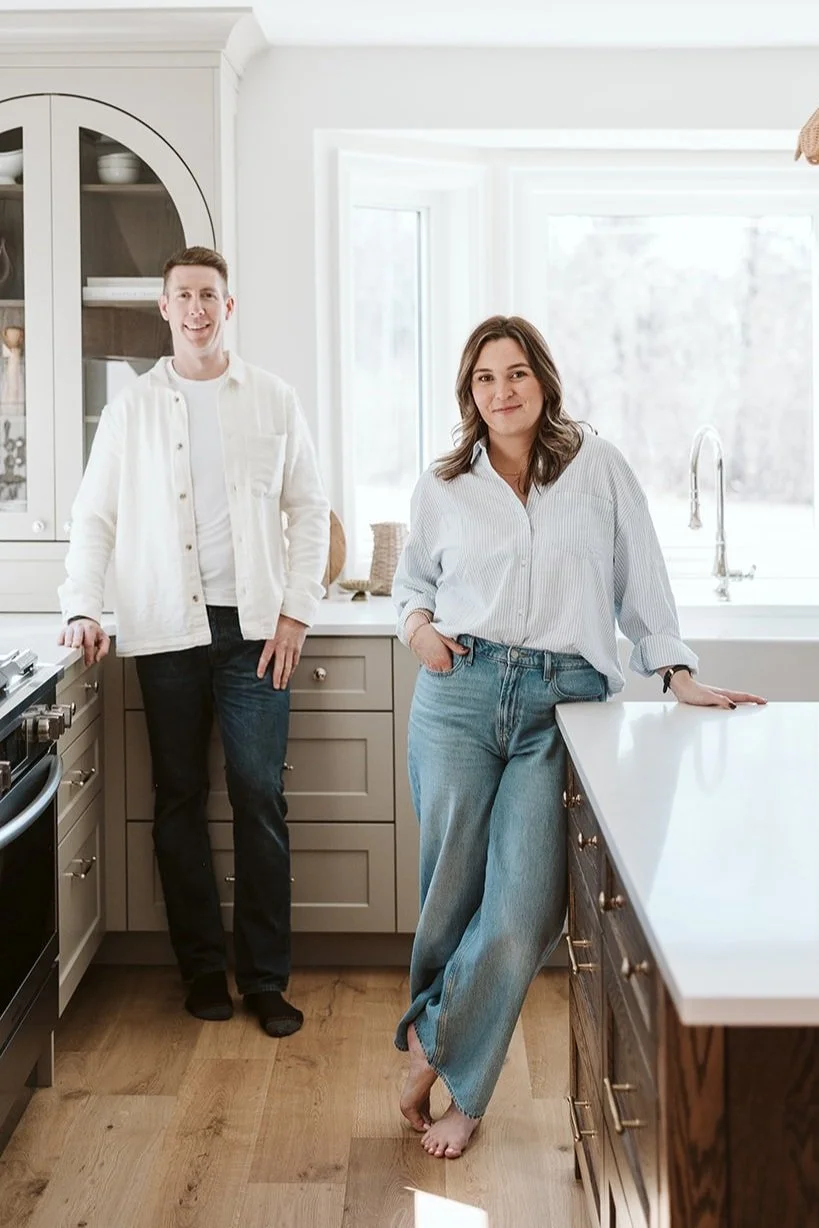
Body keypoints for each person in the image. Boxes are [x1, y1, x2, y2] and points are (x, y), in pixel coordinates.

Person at [392, 314, 766, 1159]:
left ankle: (428, 1046)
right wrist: (417, 626)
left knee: (525, 908)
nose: (502, 391)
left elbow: (644, 580)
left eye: (516, 373)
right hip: (459, 689)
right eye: (484, 378)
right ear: (469, 393)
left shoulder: (597, 467)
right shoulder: (444, 481)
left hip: (563, 704)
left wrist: (676, 673)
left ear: (543, 380)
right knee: (449, 899)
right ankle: (469, 1091)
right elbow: (410, 580)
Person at [57, 246, 330, 1037]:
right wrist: (81, 604)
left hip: (253, 634)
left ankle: (266, 979)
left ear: (228, 306)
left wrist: (295, 613)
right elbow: (94, 519)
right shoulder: (131, 409)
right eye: (184, 295)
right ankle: (202, 970)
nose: (198, 308)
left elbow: (309, 511)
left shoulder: (273, 399)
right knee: (178, 802)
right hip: (163, 629)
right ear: (165, 309)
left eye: (210, 294)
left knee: (259, 798)